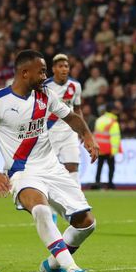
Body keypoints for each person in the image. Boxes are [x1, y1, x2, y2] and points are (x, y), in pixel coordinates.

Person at [0, 50, 100, 272]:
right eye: (42, 71)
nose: (45, 75)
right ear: (25, 73)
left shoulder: (46, 95)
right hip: (23, 172)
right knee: (41, 210)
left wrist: (87, 136)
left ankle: (52, 266)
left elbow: (72, 117)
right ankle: (72, 269)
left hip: (52, 168)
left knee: (87, 224)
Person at [43, 54, 84, 182]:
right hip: (50, 131)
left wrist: (81, 130)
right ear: (54, 69)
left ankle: (76, 198)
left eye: (66, 66)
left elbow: (77, 109)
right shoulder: (45, 86)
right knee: (48, 167)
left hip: (69, 131)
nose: (64, 69)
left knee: (73, 165)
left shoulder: (75, 85)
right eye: (60, 66)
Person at [93, 104, 121, 190]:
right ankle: (110, 184)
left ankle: (97, 182)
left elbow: (96, 134)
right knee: (111, 167)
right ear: (112, 111)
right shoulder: (113, 122)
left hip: (99, 147)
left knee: (99, 167)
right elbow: (115, 138)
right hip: (109, 149)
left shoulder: (99, 120)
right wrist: (114, 151)